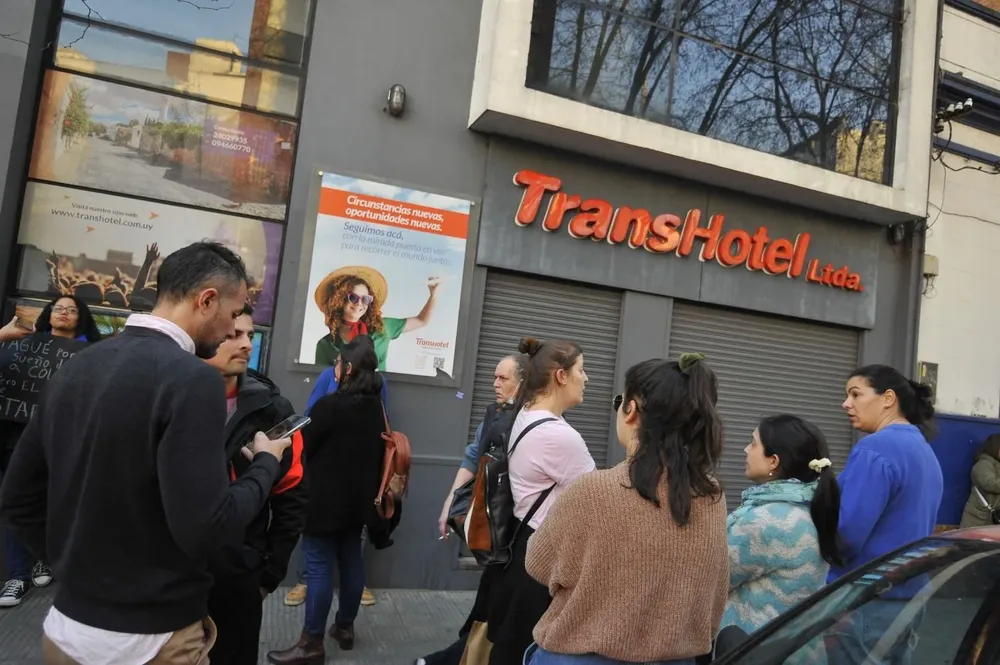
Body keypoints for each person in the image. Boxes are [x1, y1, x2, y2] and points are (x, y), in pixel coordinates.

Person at [0, 241, 293, 665]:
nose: (233, 332)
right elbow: (208, 526)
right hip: (155, 641)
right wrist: (266, 462)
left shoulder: (79, 366)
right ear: (206, 300)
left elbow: (18, 496)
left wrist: (75, 568)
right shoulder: (193, 380)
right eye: (232, 317)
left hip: (66, 632)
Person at [523, 354, 728, 665]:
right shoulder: (712, 496)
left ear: (631, 410)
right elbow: (714, 596)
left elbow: (538, 563)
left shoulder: (592, 491)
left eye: (620, 400)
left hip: (580, 657)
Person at [267, 335, 387, 665]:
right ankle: (344, 629)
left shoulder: (328, 407)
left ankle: (311, 643)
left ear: (347, 369)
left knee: (318, 569)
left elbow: (305, 447)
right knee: (351, 563)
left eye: (337, 363)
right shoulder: (375, 409)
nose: (334, 368)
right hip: (358, 504)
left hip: (322, 502)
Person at [204, 304, 307, 665]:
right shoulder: (170, 396)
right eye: (234, 335)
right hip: (171, 577)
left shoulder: (273, 409)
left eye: (250, 335)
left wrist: (268, 573)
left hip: (239, 577)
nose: (246, 344)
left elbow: (292, 496)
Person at [487, 337, 596, 665]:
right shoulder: (560, 437)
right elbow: (596, 502)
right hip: (547, 557)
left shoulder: (526, 414)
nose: (587, 377)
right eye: (582, 369)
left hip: (524, 541)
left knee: (511, 642)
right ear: (561, 376)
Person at [827, 364, 943, 664]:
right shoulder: (924, 450)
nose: (846, 404)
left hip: (867, 599)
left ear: (888, 398)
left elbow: (846, 536)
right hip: (910, 594)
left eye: (855, 394)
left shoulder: (875, 449)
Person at [417, 354, 526, 665]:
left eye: (502, 378)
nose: (495, 384)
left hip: (522, 532)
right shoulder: (493, 417)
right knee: (490, 601)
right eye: (494, 377)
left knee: (496, 606)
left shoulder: (538, 421)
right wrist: (449, 506)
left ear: (522, 382)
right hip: (496, 530)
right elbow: (471, 459)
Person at [0, 296, 101, 608]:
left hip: (63, 442)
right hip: (14, 437)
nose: (64, 312)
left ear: (81, 317)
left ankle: (45, 557)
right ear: (48, 314)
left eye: (72, 309)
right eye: (58, 308)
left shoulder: (93, 357)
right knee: (11, 501)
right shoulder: (19, 345)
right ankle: (17, 574)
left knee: (54, 502)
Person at [723, 415, 842, 636]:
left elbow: (711, 581)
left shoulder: (765, 521)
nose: (745, 450)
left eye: (753, 443)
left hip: (750, 648)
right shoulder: (810, 508)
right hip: (794, 645)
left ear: (773, 461)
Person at [283, 364, 388, 608]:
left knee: (324, 560)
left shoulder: (373, 391)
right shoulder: (329, 382)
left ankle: (313, 639)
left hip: (342, 490)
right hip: (342, 489)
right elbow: (311, 417)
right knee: (340, 559)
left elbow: (383, 424)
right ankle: (341, 623)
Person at [312, 266, 441, 368]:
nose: (359, 304)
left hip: (376, 398)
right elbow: (323, 384)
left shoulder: (382, 327)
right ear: (339, 300)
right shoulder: (325, 345)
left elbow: (421, 320)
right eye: (353, 297)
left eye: (365, 299)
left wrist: (433, 295)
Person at [960, 434, 1000, 528]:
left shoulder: (996, 465)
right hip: (979, 519)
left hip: (990, 519)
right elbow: (989, 484)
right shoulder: (983, 464)